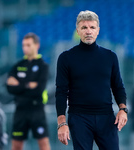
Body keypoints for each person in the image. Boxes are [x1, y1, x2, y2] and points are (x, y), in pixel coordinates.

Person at [55, 10, 128, 150]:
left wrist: (123, 109)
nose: (88, 31)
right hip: (79, 118)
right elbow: (61, 92)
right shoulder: (66, 58)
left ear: (98, 30)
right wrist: (62, 123)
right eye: (84, 27)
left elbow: (118, 86)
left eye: (92, 27)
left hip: (106, 117)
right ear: (78, 30)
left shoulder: (110, 56)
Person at [6, 33, 50, 150]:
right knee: (16, 145)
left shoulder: (43, 66)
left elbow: (39, 90)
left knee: (44, 144)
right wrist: (28, 85)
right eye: (23, 45)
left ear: (37, 45)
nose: (25, 48)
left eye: (28, 45)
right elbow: (10, 88)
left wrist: (19, 85)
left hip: (37, 110)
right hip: (20, 110)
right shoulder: (17, 66)